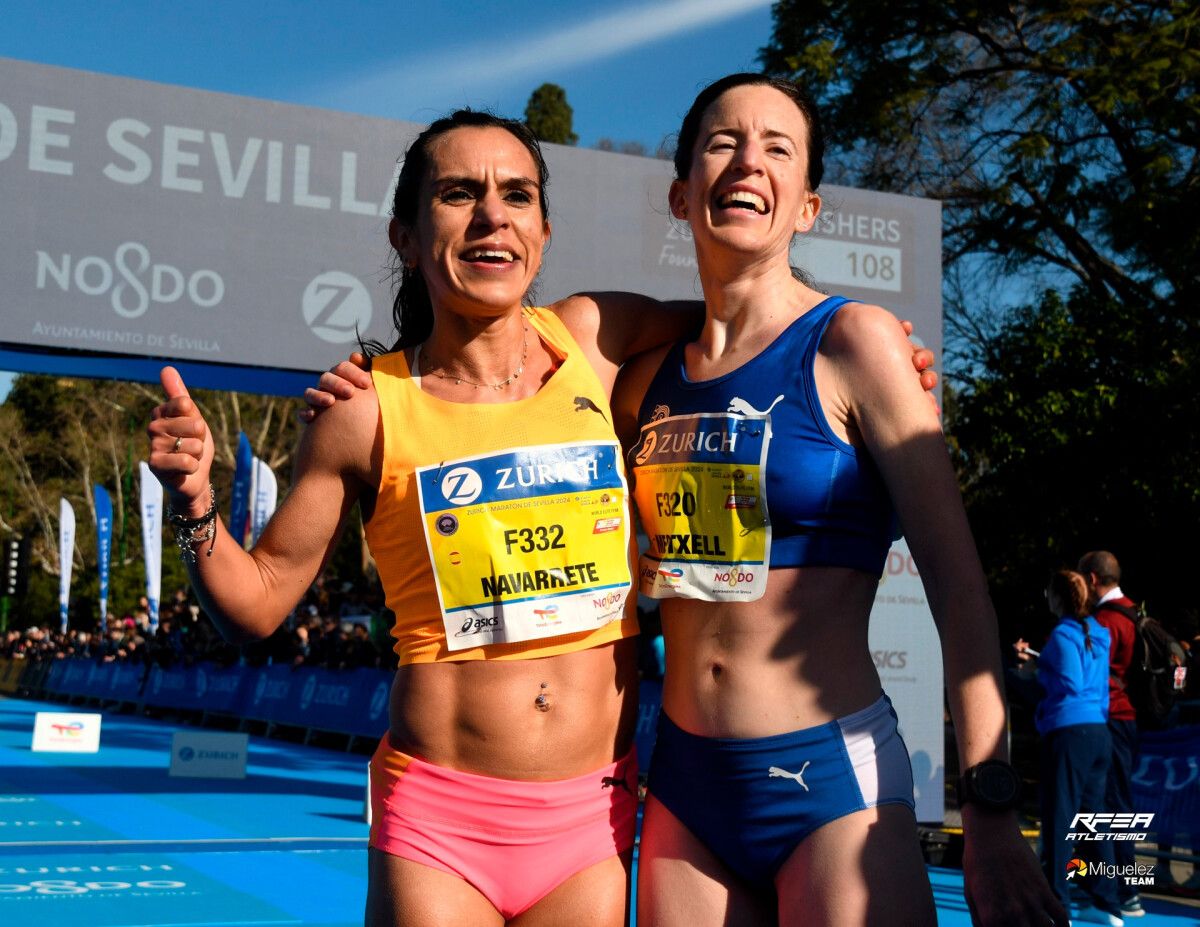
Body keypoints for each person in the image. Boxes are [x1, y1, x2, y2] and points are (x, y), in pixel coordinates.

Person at [151, 107, 938, 927]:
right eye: (458, 194)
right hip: (440, 824)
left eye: (516, 195)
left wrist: (875, 349)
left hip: (590, 827)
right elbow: (258, 601)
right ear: (406, 236)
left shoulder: (595, 338)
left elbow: (756, 334)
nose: (492, 214)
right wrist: (196, 500)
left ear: (543, 230)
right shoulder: (364, 410)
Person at [608, 74, 1065, 927]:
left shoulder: (858, 343)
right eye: (722, 142)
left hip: (829, 784)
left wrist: (992, 811)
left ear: (808, 207)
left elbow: (960, 589)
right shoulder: (640, 386)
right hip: (683, 789)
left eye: (777, 147)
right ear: (681, 193)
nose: (748, 160)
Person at [1015, 571, 1121, 925]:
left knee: (1060, 817)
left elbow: (1069, 681)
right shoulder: (1098, 633)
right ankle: (1106, 902)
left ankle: (1056, 905)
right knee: (1094, 820)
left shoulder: (1063, 633)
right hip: (1098, 731)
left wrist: (1034, 672)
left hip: (1069, 732)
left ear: (1058, 598)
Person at [1078, 551, 1144, 917]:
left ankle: (1122, 891)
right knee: (1115, 802)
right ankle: (1115, 887)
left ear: (1090, 579)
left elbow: (1090, 671)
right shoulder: (1134, 612)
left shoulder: (1105, 621)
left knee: (1111, 804)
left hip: (1111, 717)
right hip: (1125, 717)